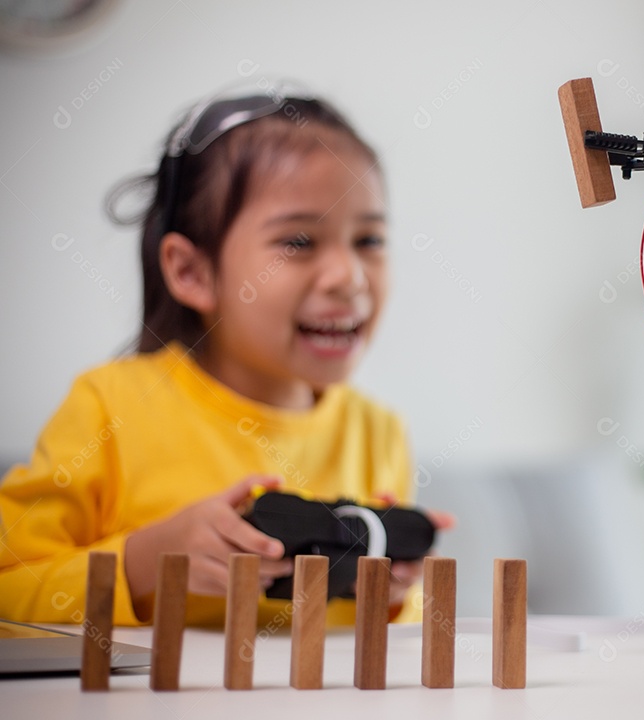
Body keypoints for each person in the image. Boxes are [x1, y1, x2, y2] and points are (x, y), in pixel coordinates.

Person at [0, 85, 450, 626]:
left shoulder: (379, 431)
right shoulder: (108, 407)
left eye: (369, 241)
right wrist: (145, 563)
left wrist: (392, 592)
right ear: (192, 272)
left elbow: (387, 636)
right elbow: (9, 587)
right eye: (300, 241)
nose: (349, 278)